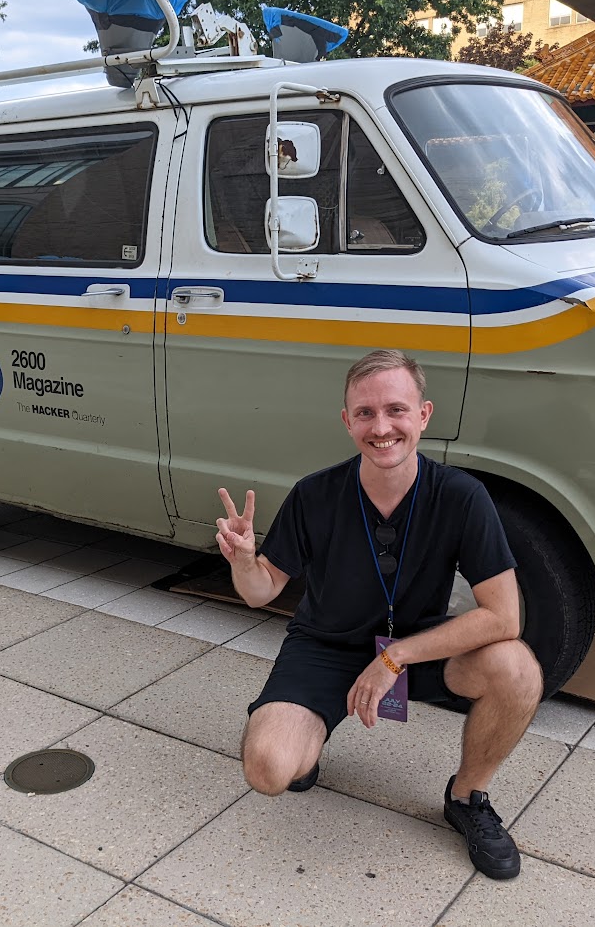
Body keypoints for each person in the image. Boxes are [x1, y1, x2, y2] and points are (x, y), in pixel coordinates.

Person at [216, 349, 542, 881]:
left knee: (517, 667)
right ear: (347, 422)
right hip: (325, 643)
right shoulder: (315, 494)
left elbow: (503, 618)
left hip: (413, 647)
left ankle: (467, 798)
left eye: (396, 409)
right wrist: (247, 560)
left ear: (423, 415)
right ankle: (310, 738)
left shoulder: (462, 497)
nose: (381, 426)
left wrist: (397, 657)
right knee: (269, 770)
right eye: (365, 413)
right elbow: (260, 592)